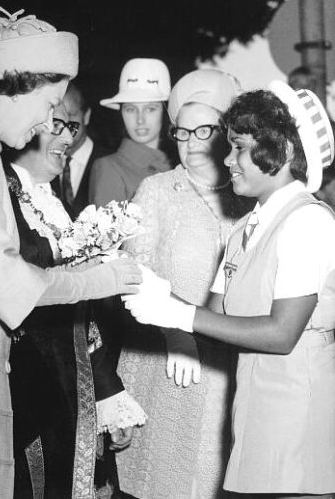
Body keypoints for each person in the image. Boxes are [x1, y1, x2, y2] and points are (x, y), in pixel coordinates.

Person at [0, 7, 141, 499]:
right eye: (49, 102)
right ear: (14, 85)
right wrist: (104, 278)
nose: (50, 122)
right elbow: (7, 280)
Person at [125, 81, 335, 497]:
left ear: (285, 152)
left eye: (239, 147)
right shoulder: (244, 227)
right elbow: (216, 320)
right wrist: (157, 295)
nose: (227, 159)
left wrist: (178, 313)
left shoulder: (308, 222)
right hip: (254, 408)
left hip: (296, 412)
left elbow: (281, 333)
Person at [116, 68, 252, 499]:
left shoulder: (250, 192)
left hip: (230, 367)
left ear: (227, 132)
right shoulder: (157, 189)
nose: (192, 142)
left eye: (205, 130)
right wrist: (177, 335)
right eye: (182, 132)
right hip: (167, 363)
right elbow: (133, 271)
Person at [3, 108, 147, 498]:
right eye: (56, 125)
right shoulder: (1, 196)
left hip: (69, 391)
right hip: (26, 392)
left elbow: (84, 318)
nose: (67, 136)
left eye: (71, 126)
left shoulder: (56, 204)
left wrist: (107, 393)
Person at [88, 57, 174, 207]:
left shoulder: (176, 165)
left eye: (150, 109)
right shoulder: (109, 168)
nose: (140, 119)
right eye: (130, 109)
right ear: (121, 113)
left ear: (164, 112)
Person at [51, 80, 109, 218]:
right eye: (57, 118)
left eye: (70, 115)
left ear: (86, 116)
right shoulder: (42, 162)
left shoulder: (109, 161)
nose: (64, 125)